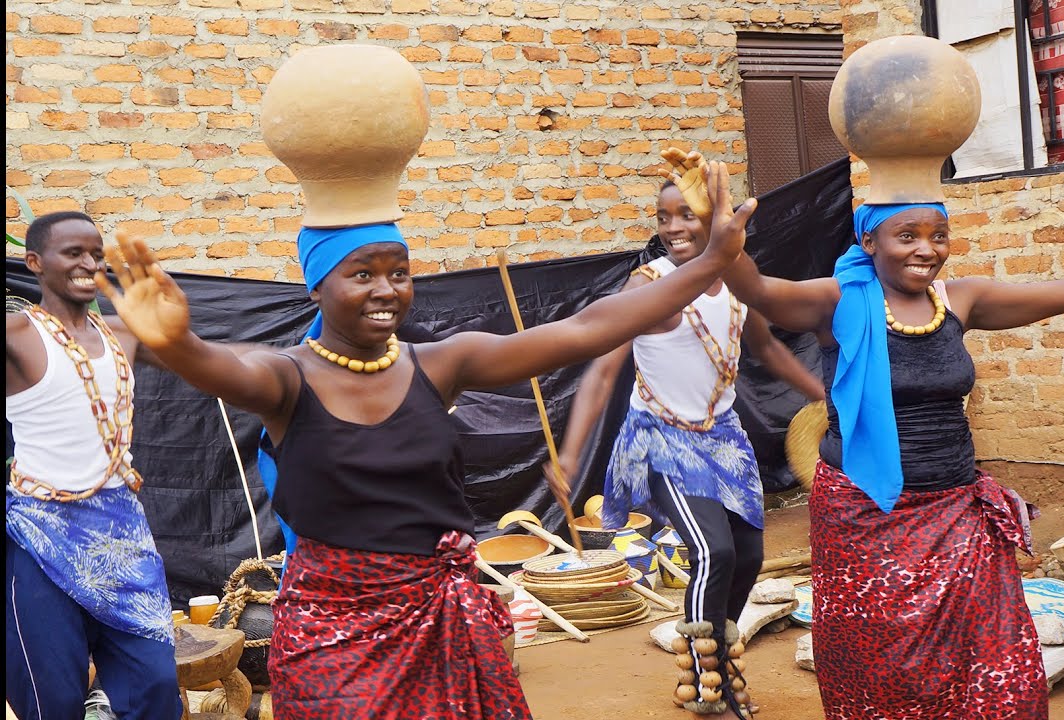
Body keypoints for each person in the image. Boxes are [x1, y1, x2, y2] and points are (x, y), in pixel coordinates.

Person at [94, 161, 756, 720]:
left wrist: (711, 262)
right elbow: (226, 369)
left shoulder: (439, 365)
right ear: (318, 284)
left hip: (446, 624)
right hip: (334, 637)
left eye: (400, 272)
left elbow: (588, 328)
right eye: (362, 274)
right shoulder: (285, 380)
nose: (386, 290)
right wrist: (178, 344)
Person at [663, 147, 1064, 719]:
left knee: (999, 659)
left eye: (938, 234)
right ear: (870, 242)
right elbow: (756, 289)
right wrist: (713, 229)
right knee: (881, 660)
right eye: (907, 236)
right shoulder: (837, 302)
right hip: (864, 515)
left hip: (957, 508)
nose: (926, 249)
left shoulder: (961, 300)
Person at [549, 180, 824, 719]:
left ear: (722, 219)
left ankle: (719, 655)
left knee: (748, 556)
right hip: (659, 439)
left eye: (687, 215)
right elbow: (603, 369)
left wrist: (827, 398)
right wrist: (570, 454)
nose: (672, 227)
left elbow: (767, 346)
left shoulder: (741, 286)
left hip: (725, 442)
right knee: (713, 550)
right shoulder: (647, 286)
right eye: (663, 216)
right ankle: (706, 682)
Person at [6, 211, 182, 719]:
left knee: (153, 682)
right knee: (51, 698)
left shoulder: (126, 335)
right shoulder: (17, 335)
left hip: (121, 533)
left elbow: (214, 364)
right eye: (74, 253)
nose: (89, 263)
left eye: (96, 253)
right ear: (35, 263)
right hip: (39, 532)